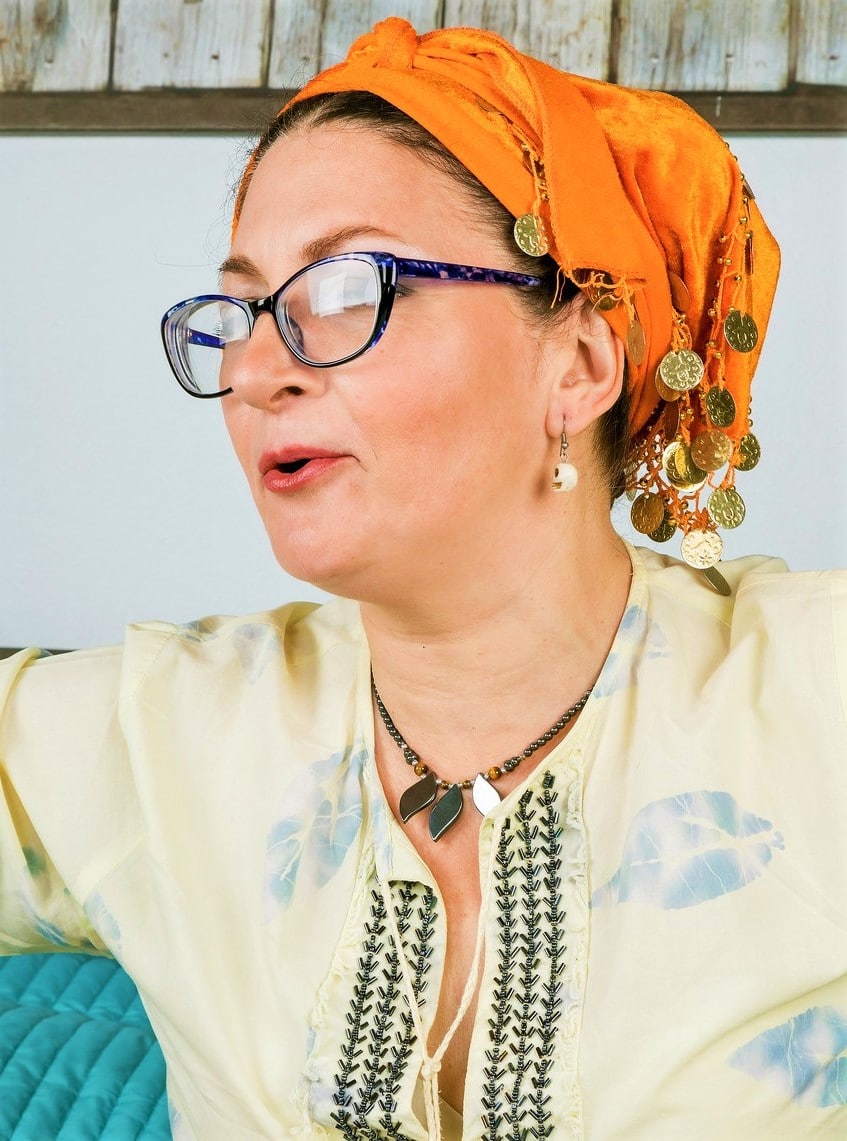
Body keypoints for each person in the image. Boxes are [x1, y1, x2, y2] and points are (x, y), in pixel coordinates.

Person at [2, 15, 846, 1140]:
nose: (254, 372)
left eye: (346, 288)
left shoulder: (814, 697)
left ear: (578, 363)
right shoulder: (154, 737)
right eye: (243, 310)